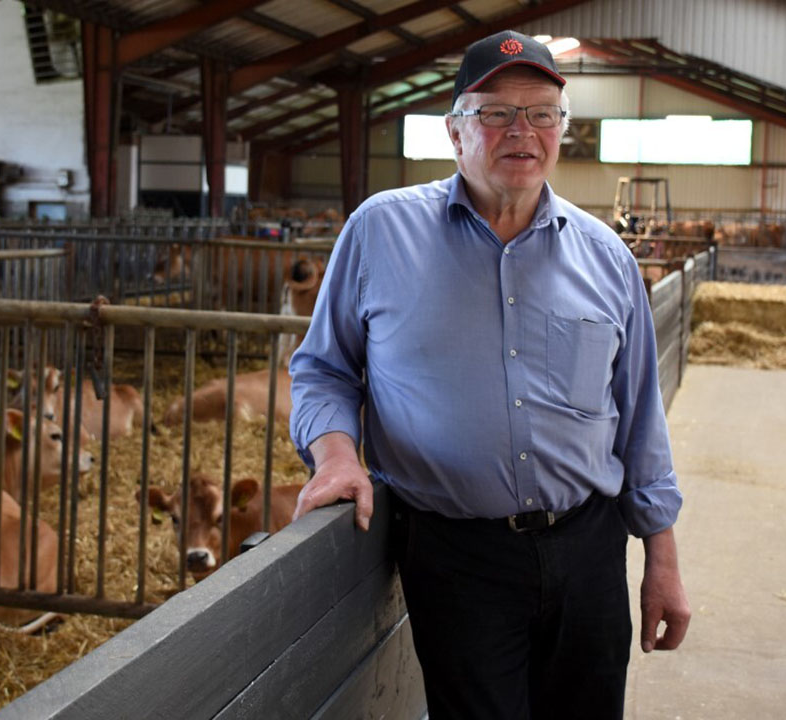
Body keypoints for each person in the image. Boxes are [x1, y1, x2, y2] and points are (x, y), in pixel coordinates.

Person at [288, 30, 690, 719]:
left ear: (561, 129)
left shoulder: (607, 260)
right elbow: (323, 369)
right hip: (455, 555)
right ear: (454, 131)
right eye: (495, 113)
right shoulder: (380, 234)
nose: (521, 131)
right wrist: (335, 455)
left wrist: (663, 558)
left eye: (542, 114)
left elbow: (640, 421)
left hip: (589, 546)